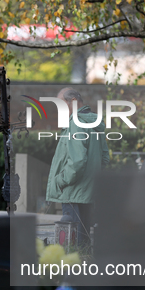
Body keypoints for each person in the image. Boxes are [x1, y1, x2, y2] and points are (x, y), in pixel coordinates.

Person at [45, 88, 109, 246]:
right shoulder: (93, 122)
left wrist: (60, 180)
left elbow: (77, 161)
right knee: (84, 245)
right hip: (88, 192)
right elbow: (104, 158)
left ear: (72, 101)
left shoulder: (75, 123)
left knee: (71, 247)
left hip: (72, 192)